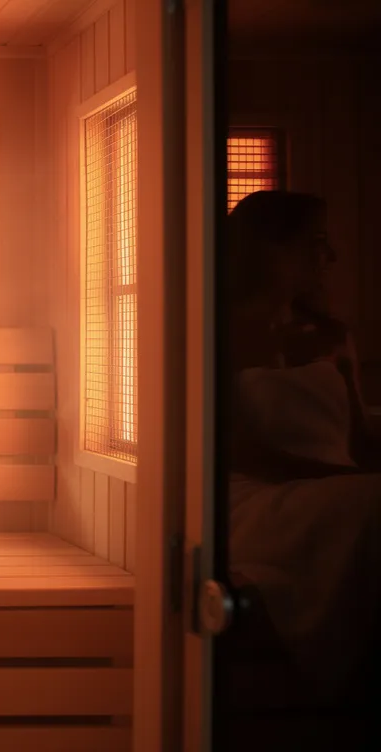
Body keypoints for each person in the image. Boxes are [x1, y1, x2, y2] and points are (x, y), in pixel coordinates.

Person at [223, 190, 381, 717]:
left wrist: (350, 475)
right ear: (269, 250)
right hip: (257, 498)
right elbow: (244, 450)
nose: (329, 257)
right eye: (315, 243)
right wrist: (340, 481)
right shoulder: (217, 335)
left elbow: (359, 438)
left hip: (335, 487)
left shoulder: (334, 336)